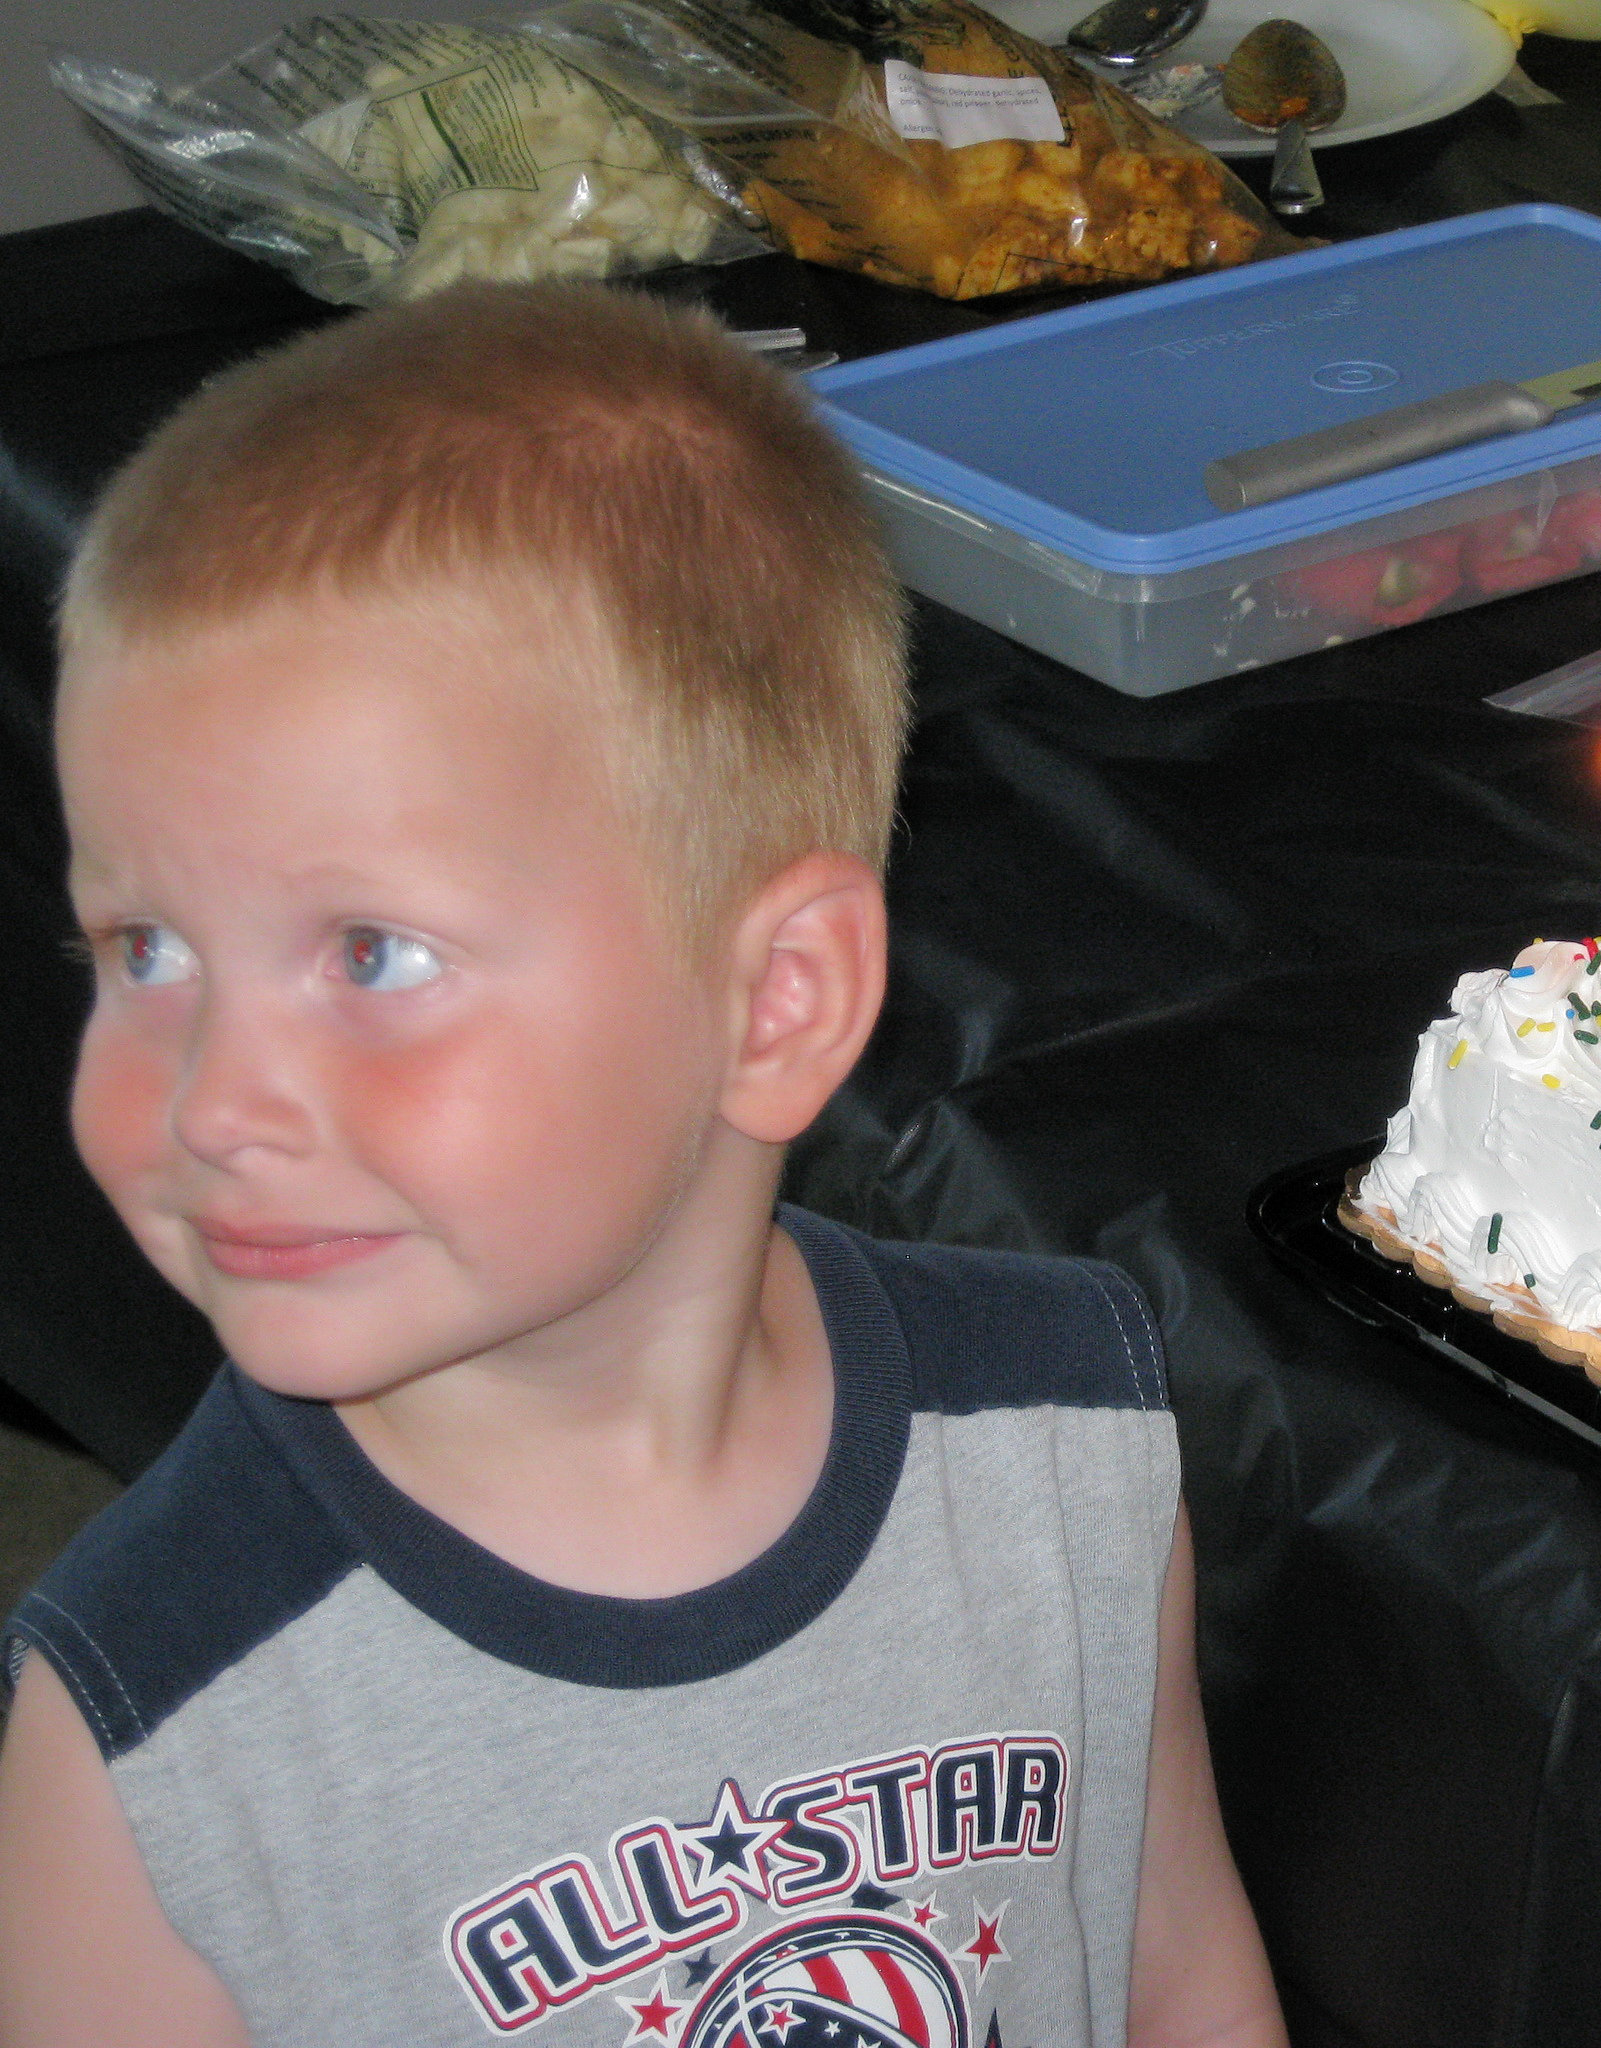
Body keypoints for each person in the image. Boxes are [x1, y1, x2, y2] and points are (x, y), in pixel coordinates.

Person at [0, 282, 1286, 2048]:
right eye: (143, 948)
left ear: (775, 1001)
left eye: (370, 953)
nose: (218, 1099)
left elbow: (1168, 1955)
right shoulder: (154, 1727)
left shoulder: (1061, 1435)